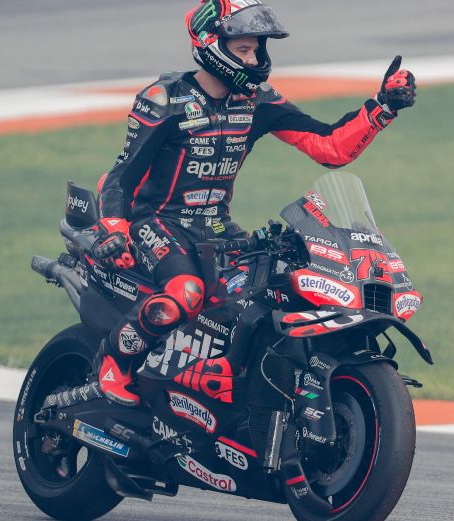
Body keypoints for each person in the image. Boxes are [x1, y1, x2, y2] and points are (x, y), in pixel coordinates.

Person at [92, 0, 416, 406]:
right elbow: (122, 175)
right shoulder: (164, 99)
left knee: (271, 288)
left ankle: (232, 379)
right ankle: (115, 361)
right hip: (157, 222)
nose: (256, 58)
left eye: (258, 49)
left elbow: (329, 147)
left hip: (215, 225)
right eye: (244, 49)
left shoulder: (258, 99)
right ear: (211, 43)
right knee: (186, 291)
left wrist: (382, 107)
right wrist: (114, 229)